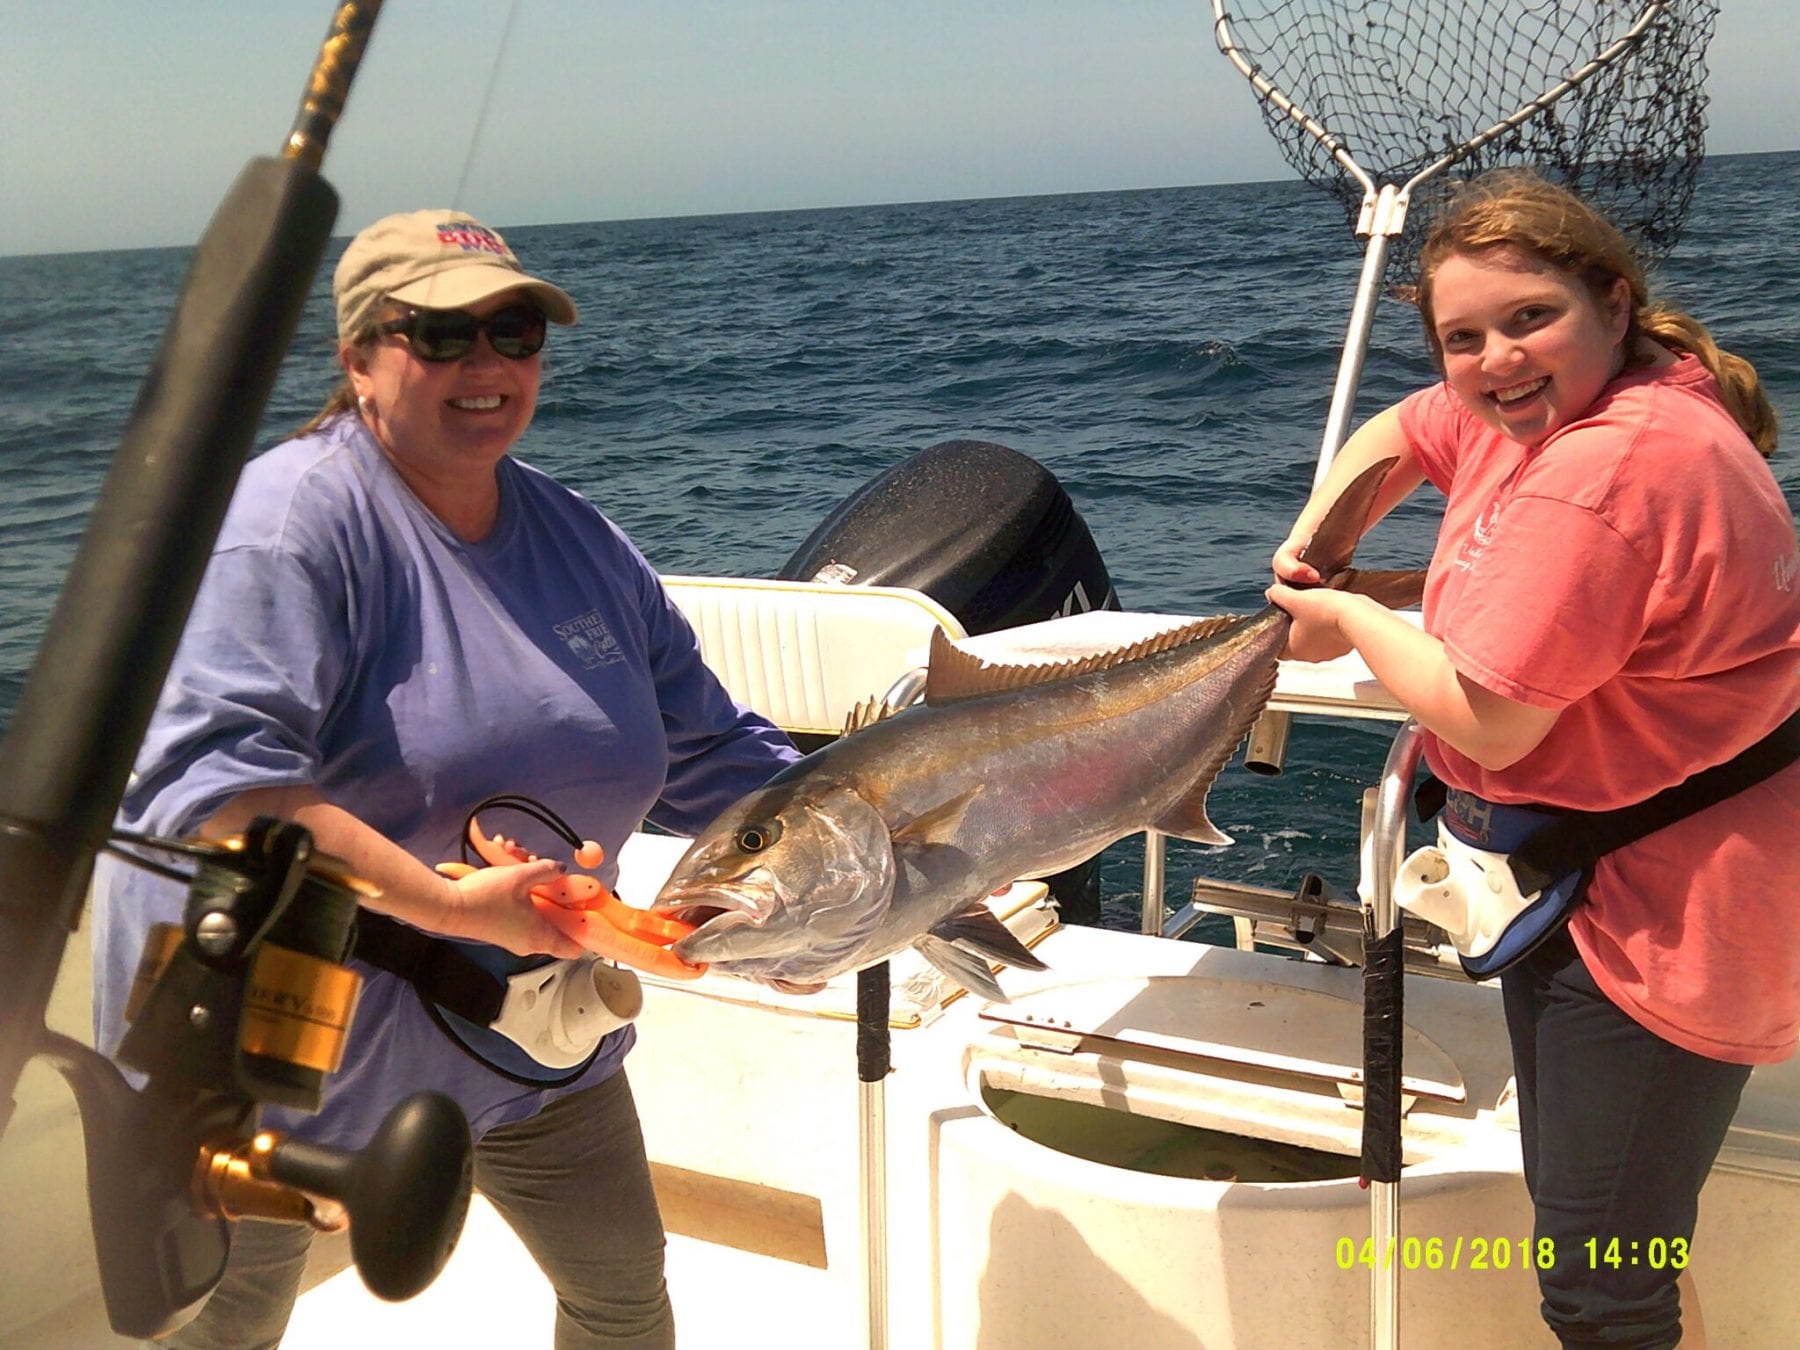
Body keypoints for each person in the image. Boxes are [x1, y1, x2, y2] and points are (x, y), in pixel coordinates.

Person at [90, 208, 799, 1348]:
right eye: (441, 333)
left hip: (530, 1024)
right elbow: (214, 795)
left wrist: (869, 869)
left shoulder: (583, 541)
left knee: (623, 1292)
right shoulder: (285, 530)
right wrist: (445, 905)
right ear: (358, 357)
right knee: (229, 1324)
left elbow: (716, 752)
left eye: (516, 332)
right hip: (278, 1052)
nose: (488, 363)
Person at [1268, 169, 1798, 1349]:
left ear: (1614, 303)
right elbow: (1403, 430)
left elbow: (1489, 718)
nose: (1496, 358)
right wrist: (1322, 544)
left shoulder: (1608, 468)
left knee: (1599, 1285)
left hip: (1663, 909)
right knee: (1618, 1246)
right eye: (1463, 338)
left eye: (1530, 318)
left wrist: (1345, 616)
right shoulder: (1573, 403)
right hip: (1588, 878)